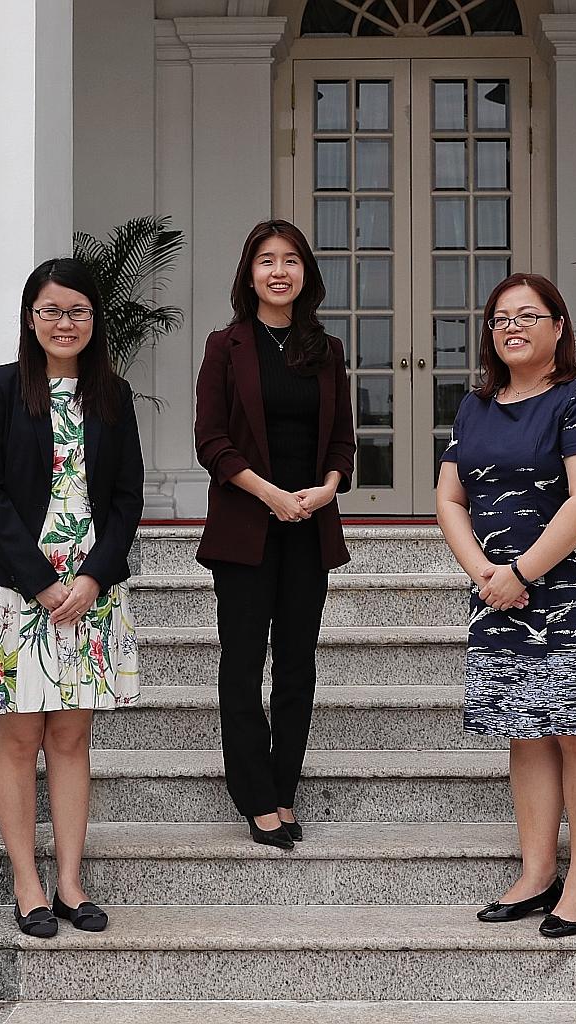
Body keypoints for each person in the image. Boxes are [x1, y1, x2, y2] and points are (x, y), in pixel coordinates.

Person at [435, 272, 576, 939]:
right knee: (525, 732)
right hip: (499, 593)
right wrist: (487, 575)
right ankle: (535, 873)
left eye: (528, 315)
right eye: (500, 318)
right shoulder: (474, 407)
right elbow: (449, 499)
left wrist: (521, 570)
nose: (512, 327)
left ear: (558, 326)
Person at [0, 257, 145, 938]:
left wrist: (92, 578)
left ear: (95, 319)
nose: (66, 323)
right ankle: (27, 884)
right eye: (52, 311)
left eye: (79, 311)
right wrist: (44, 581)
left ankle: (70, 881)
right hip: (12, 589)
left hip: (91, 592)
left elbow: (126, 501)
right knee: (18, 734)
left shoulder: (113, 396)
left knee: (71, 735)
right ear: (31, 319)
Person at [194, 219, 355, 850]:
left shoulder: (326, 348)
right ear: (249, 273)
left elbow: (343, 438)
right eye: (267, 260)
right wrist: (269, 494)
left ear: (305, 275)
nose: (279, 271)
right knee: (241, 668)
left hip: (308, 527)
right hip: (245, 528)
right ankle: (254, 795)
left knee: (296, 667)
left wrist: (326, 488)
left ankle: (283, 789)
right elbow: (211, 441)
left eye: (291, 260)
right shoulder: (224, 345)